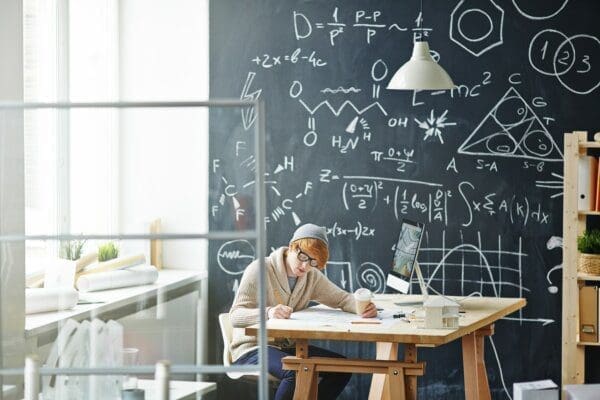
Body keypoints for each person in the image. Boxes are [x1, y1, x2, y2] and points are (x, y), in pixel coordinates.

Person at [229, 223, 377, 400]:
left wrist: (363, 307)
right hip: (252, 348)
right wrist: (268, 312)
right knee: (295, 371)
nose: (305, 266)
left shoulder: (310, 276)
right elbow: (235, 316)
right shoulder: (260, 269)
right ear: (292, 247)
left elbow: (342, 299)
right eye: (302, 256)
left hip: (287, 347)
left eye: (313, 262)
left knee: (340, 368)